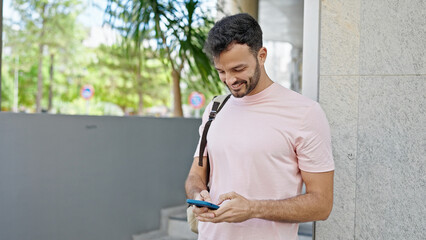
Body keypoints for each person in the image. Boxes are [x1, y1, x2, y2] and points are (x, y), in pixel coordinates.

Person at [185, 13, 334, 240]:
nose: (229, 80)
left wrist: (253, 209)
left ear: (261, 55)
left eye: (238, 69)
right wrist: (197, 194)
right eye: (221, 72)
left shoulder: (305, 113)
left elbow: (322, 204)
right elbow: (196, 174)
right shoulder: (215, 109)